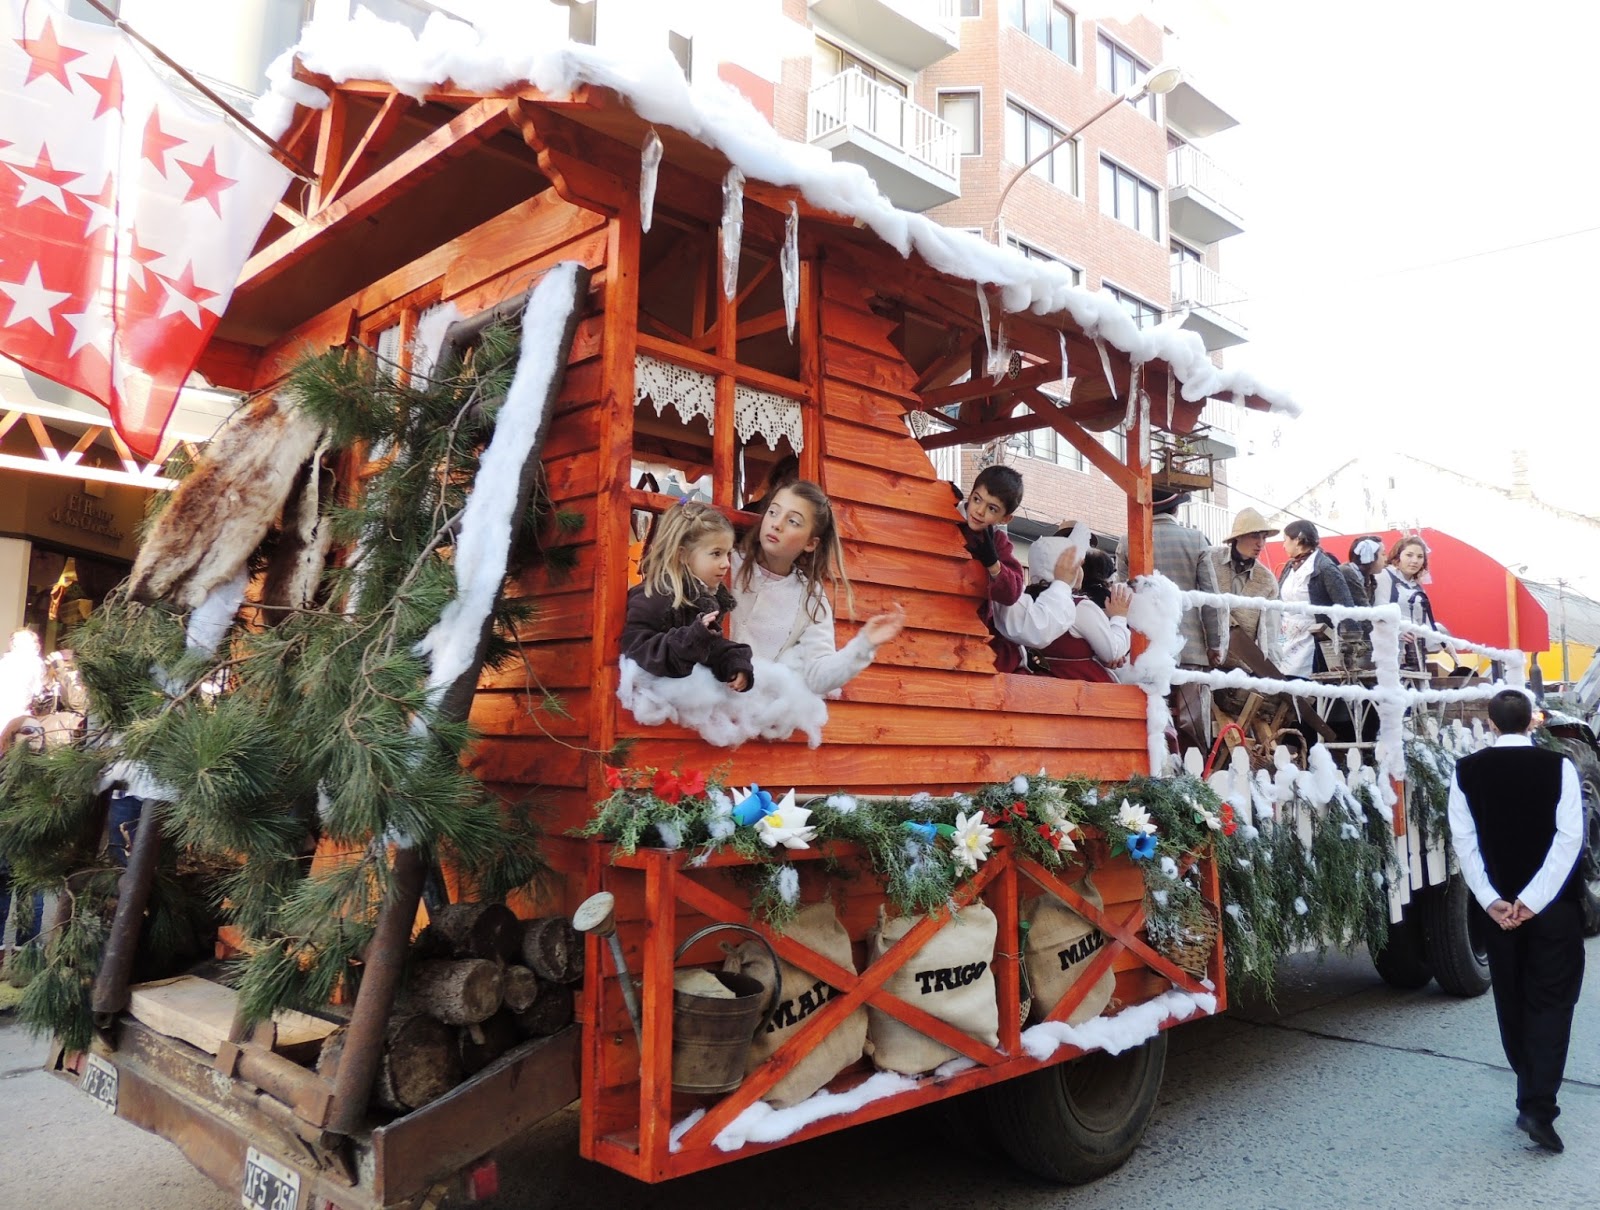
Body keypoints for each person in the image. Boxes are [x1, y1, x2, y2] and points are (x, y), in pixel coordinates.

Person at [1445, 689, 1585, 1153]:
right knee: (1551, 1003)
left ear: (1490, 723)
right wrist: (1533, 900)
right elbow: (1569, 840)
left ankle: (1528, 1094)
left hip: (1498, 911)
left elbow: (1464, 844)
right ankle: (1537, 1105)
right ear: (1532, 723)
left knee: (1512, 1000)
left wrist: (1494, 901)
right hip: (1554, 911)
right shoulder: (1558, 767)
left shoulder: (1466, 771)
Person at [728, 480, 905, 696]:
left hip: (748, 716)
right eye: (773, 512)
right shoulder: (725, 564)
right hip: (693, 706)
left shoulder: (810, 598)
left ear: (810, 543)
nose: (776, 524)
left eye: (793, 521)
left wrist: (864, 645)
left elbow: (817, 676)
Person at [620, 500, 755, 692]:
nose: (726, 563)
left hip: (680, 704)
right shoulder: (655, 595)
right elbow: (637, 646)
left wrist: (735, 662)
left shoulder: (704, 599)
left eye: (728, 554)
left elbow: (710, 649)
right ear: (682, 555)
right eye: (716, 554)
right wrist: (690, 639)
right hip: (647, 702)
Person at [995, 538, 1131, 682]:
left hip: (1037, 687)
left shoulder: (1022, 602)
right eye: (1078, 565)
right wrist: (1119, 617)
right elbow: (1112, 651)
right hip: (1083, 687)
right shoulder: (1080, 607)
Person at [954, 466, 1027, 672]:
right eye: (977, 500)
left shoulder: (997, 541)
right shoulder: (945, 519)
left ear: (1005, 518)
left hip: (970, 632)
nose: (979, 511)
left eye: (992, 508)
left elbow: (1012, 592)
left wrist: (993, 564)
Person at [1276, 520, 1356, 676]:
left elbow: (1345, 605)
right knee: (1279, 677)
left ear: (1297, 540)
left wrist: (1353, 643)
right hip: (1285, 635)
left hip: (1312, 637)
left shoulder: (1325, 567)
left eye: (1285, 540)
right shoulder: (1289, 566)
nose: (1283, 545)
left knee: (1304, 684)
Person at [1208, 508, 1280, 668]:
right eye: (1255, 536)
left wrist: (1272, 677)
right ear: (1238, 536)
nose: (1260, 543)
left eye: (1264, 537)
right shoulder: (1210, 560)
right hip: (1204, 661)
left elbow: (1270, 636)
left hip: (1239, 668)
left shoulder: (1267, 580)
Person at [1377, 535, 1438, 672]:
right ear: (1398, 556)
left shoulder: (1417, 586)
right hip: (1389, 646)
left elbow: (1425, 620)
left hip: (1415, 649)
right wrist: (1399, 628)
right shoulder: (1385, 575)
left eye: (1419, 557)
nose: (1414, 561)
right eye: (1409, 555)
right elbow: (1379, 607)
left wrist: (1443, 642)